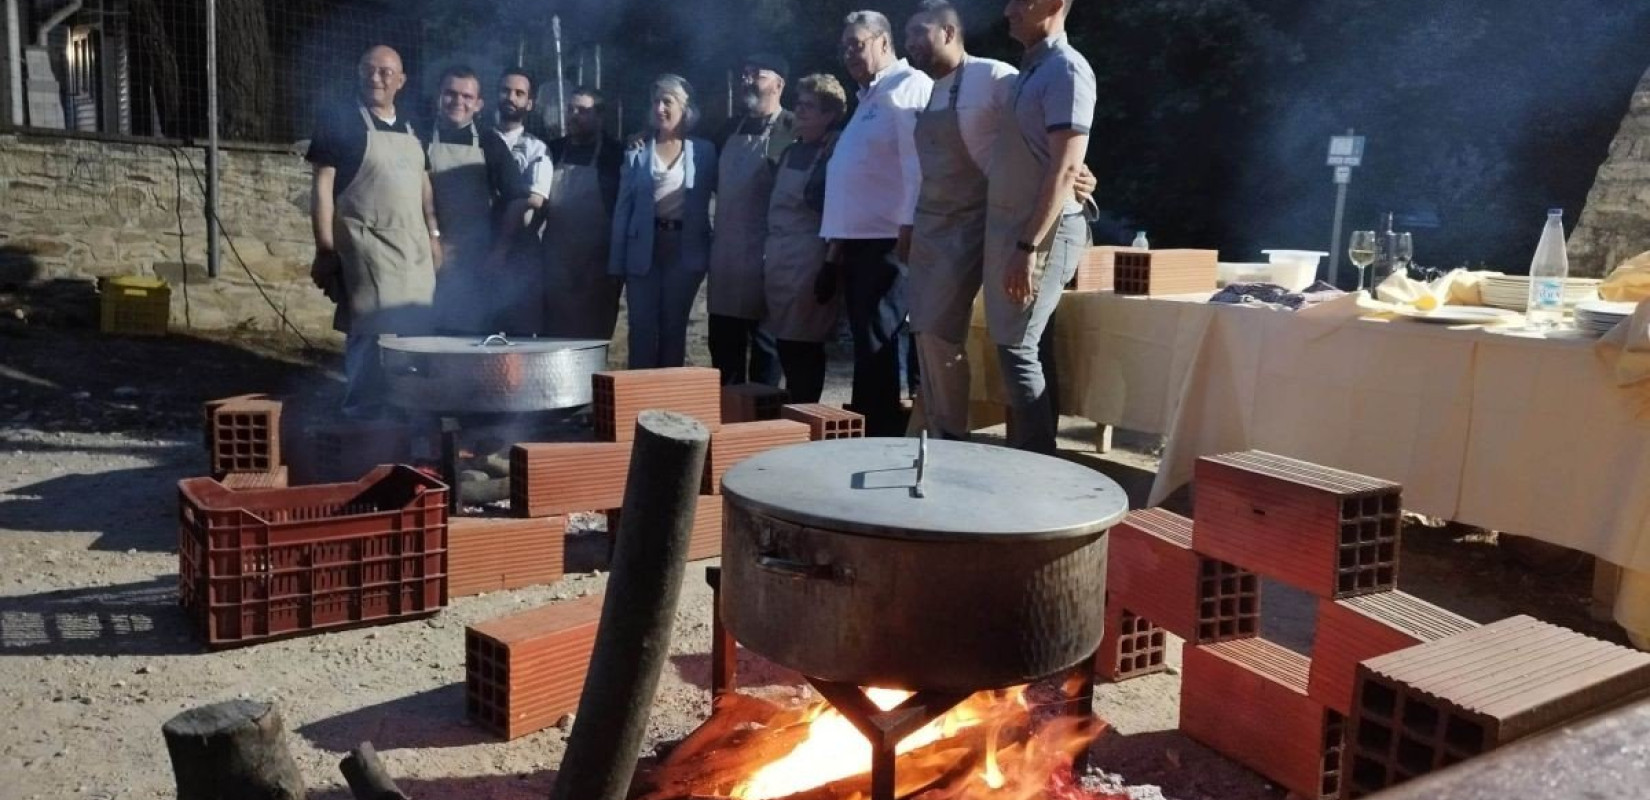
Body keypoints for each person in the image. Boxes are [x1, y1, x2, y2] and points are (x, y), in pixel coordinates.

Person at [983, 0, 1096, 454]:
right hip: (1017, 230)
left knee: (1017, 348)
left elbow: (1066, 171)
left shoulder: (1068, 70)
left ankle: (1038, 466)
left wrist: (1027, 246)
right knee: (1025, 344)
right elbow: (1049, 155)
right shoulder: (1031, 70)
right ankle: (1036, 455)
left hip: (1043, 235)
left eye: (1019, 1)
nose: (1008, 9)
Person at [307, 45, 440, 418]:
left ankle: (411, 423)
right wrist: (325, 249)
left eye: (385, 72)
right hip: (367, 251)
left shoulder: (414, 126)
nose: (375, 77)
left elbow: (424, 185)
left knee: (417, 340)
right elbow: (322, 190)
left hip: (414, 255)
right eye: (368, 69)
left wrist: (434, 236)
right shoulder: (339, 121)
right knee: (372, 341)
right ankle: (362, 424)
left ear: (401, 80)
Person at [819, 10, 933, 437]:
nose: (849, 53)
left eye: (858, 44)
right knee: (868, 345)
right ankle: (870, 425)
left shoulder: (907, 88)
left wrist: (908, 227)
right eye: (844, 46)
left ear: (884, 42)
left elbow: (918, 166)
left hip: (889, 240)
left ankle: (884, 433)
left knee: (881, 342)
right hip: (860, 241)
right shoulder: (870, 95)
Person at [609, 75, 718, 369]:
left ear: (686, 108)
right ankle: (637, 401)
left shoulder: (705, 152)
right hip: (643, 250)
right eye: (656, 101)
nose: (659, 108)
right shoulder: (638, 149)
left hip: (684, 252)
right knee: (641, 329)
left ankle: (669, 404)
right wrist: (617, 262)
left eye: (667, 102)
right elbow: (623, 208)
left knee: (674, 329)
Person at [706, 54, 794, 387]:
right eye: (744, 73)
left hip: (768, 256)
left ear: (779, 84)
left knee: (766, 348)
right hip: (727, 257)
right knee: (724, 346)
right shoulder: (729, 129)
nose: (747, 80)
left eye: (757, 74)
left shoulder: (793, 127)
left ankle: (763, 423)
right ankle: (726, 421)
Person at [427, 65, 532, 335]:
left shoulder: (489, 143)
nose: (457, 102)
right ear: (438, 96)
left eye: (466, 97)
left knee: (466, 332)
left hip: (471, 256)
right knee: (424, 332)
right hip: (424, 251)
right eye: (450, 94)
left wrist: (499, 251)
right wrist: (432, 238)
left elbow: (517, 199)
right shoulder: (419, 137)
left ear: (479, 104)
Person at [763, 74, 847, 403]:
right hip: (779, 258)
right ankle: (792, 410)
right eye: (799, 104)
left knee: (804, 345)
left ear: (829, 115)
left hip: (810, 258)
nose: (799, 111)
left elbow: (839, 208)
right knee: (783, 340)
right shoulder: (789, 152)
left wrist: (831, 264)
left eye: (809, 107)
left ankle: (806, 411)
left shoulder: (833, 152)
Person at [528, 87, 625, 340]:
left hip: (597, 267)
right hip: (555, 265)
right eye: (570, 109)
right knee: (553, 339)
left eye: (582, 111)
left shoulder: (614, 155)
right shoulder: (554, 150)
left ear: (600, 117)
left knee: (591, 341)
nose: (573, 115)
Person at [495, 67, 547, 175]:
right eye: (505, 91)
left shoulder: (536, 149)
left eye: (519, 93)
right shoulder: (479, 140)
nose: (511, 98)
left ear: (529, 104)